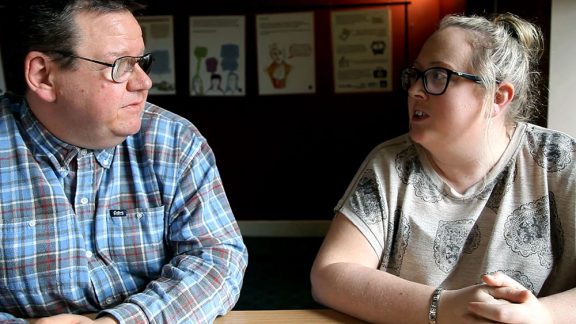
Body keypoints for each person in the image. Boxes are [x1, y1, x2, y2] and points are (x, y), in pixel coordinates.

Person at [311, 12, 575, 324]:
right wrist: (441, 307)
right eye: (416, 75)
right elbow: (329, 274)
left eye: (438, 76)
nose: (414, 91)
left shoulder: (559, 160)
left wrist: (544, 314)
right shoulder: (391, 164)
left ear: (498, 97)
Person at [0, 1, 247, 323]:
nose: (144, 82)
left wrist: (120, 322)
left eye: (142, 62)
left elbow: (218, 258)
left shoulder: (173, 141)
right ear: (43, 75)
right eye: (120, 65)